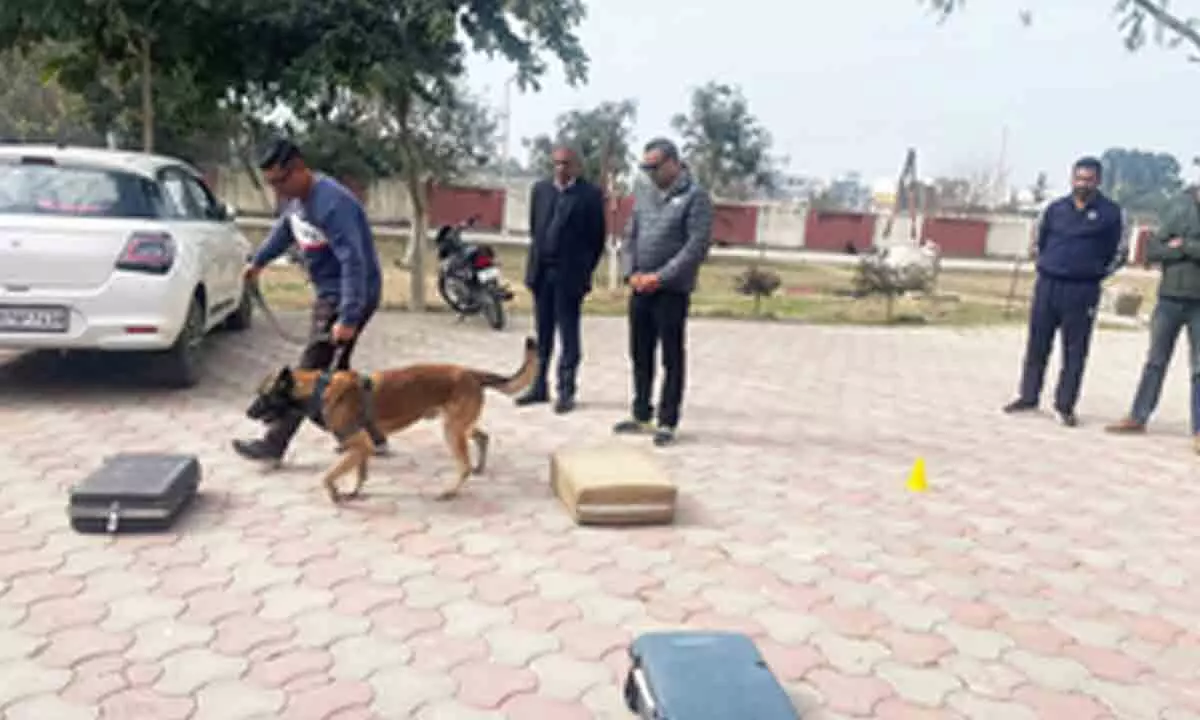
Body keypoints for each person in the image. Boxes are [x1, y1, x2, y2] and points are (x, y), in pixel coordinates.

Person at [232, 138, 385, 462]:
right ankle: (370, 436)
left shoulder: (333, 204)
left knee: (306, 375)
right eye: (271, 184)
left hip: (348, 294)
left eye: (280, 181)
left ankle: (274, 443)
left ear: (299, 168)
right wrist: (258, 262)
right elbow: (284, 231)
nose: (277, 191)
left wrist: (349, 315)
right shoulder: (296, 201)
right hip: (331, 293)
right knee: (336, 373)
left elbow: (353, 261)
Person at [1002, 156, 1127, 427]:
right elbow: (1040, 240)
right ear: (1072, 179)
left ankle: (1064, 405)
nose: (1082, 184)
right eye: (1078, 178)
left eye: (1088, 180)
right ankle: (1028, 396)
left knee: (1074, 351)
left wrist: (1095, 273)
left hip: (1082, 290)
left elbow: (1119, 252)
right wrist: (1045, 264)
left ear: (1098, 181)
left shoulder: (1110, 213)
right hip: (1048, 284)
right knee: (1037, 344)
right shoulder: (1055, 209)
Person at [612, 138, 713, 446]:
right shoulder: (644, 193)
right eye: (645, 168)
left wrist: (660, 277)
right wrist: (631, 273)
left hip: (671, 291)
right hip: (641, 287)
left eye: (654, 167)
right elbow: (630, 236)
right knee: (640, 353)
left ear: (673, 163)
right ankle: (641, 411)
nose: (650, 173)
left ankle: (667, 420)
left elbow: (695, 247)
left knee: (671, 357)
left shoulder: (695, 197)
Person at [1106, 185, 1200, 451]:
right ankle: (1138, 416)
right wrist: (1182, 250)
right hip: (1169, 299)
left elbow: (1174, 247)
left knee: (1199, 368)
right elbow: (1153, 251)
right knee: (1155, 361)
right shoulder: (1177, 207)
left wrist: (1183, 245)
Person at [515, 146, 607, 413]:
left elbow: (597, 239)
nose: (560, 168)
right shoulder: (541, 190)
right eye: (556, 163)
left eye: (566, 163)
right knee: (543, 333)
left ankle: (566, 391)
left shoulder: (589, 195)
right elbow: (535, 229)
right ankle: (539, 386)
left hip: (569, 276)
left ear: (576, 166)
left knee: (568, 334)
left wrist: (583, 271)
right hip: (542, 273)